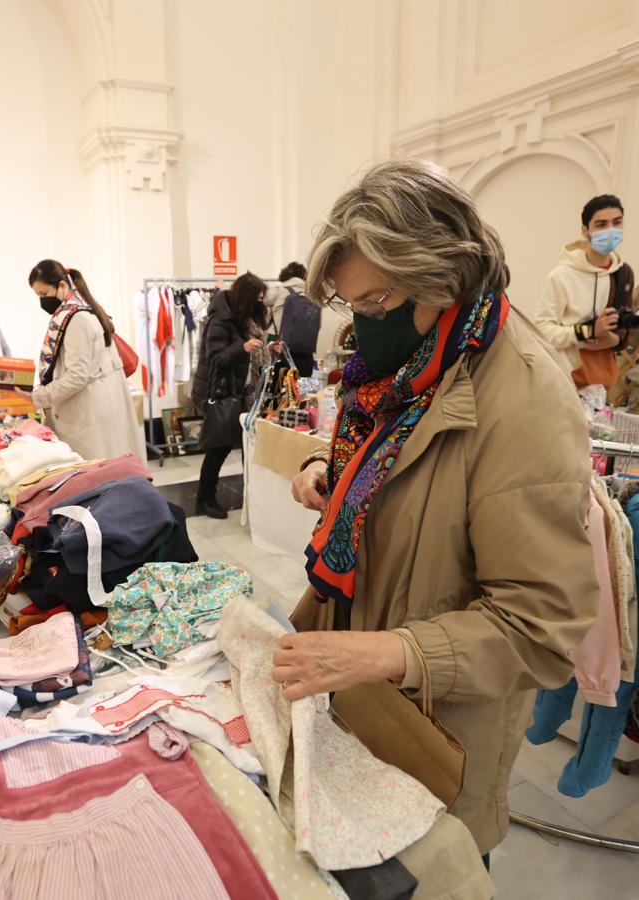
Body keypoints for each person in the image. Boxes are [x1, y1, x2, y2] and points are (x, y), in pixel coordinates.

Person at [281, 159, 598, 861]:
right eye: (350, 307)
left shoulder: (524, 401)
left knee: (433, 871)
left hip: (435, 722)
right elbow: (395, 461)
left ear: (442, 280)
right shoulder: (420, 361)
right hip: (367, 695)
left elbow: (542, 625)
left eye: (372, 305)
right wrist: (329, 475)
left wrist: (388, 651)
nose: (360, 332)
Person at [27, 260, 144, 462]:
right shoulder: (81, 310)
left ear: (62, 286)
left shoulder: (76, 318)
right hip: (95, 407)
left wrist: (38, 397)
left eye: (44, 294)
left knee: (99, 476)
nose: (42, 301)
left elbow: (76, 377)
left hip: (89, 414)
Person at [191, 272, 274, 519]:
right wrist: (243, 347)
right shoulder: (221, 320)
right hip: (218, 391)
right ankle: (204, 499)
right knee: (219, 447)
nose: (260, 303)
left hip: (239, 390)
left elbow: (249, 356)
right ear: (246, 298)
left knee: (238, 446)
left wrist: (267, 348)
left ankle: (247, 496)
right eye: (257, 298)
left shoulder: (242, 318)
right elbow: (215, 358)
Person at [534, 194, 637, 389]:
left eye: (617, 222)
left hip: (604, 375)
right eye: (601, 224)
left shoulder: (623, 273)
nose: (610, 230)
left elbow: (624, 330)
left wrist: (611, 339)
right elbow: (542, 331)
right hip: (567, 375)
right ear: (585, 231)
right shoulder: (561, 276)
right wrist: (589, 332)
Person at [267, 262, 322, 376]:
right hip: (307, 352)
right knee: (302, 389)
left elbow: (263, 316)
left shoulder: (278, 290)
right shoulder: (313, 294)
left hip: (282, 349)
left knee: (284, 388)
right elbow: (318, 325)